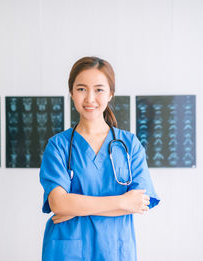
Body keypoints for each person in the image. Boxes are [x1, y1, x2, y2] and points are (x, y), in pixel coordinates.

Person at [39, 56, 160, 261]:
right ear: (71, 92)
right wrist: (122, 202)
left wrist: (75, 208)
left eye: (99, 89)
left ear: (111, 93)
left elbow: (139, 202)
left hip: (114, 249)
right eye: (81, 89)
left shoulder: (129, 145)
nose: (90, 99)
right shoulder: (58, 146)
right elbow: (58, 204)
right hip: (67, 252)